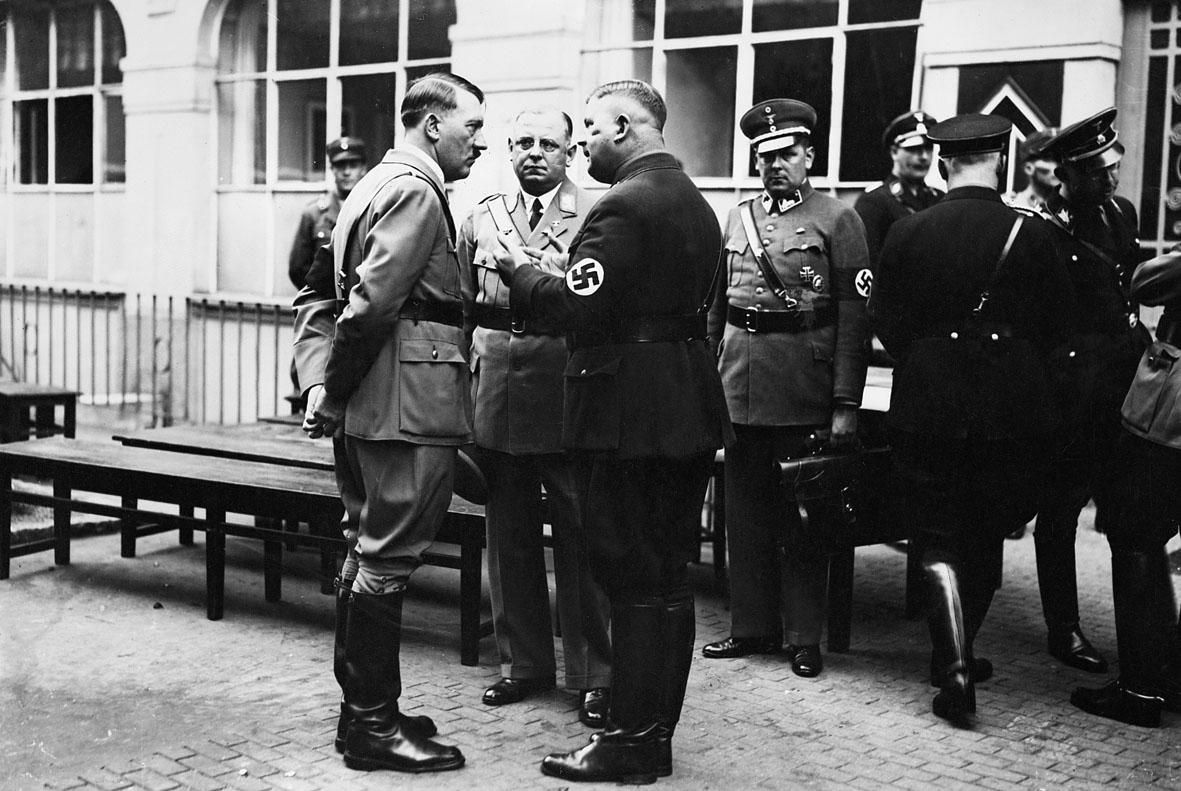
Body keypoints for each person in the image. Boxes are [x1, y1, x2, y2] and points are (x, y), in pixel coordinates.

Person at [491, 79, 731, 784]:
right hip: (681, 407)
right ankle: (651, 735)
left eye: (591, 127)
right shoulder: (690, 200)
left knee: (629, 578)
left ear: (625, 126)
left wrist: (519, 272)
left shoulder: (623, 204)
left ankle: (625, 741)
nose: (584, 142)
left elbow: (579, 310)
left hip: (626, 416)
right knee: (665, 579)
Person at [292, 72, 487, 774]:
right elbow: (371, 305)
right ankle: (373, 725)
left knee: (366, 550)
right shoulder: (414, 189)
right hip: (406, 405)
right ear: (432, 125)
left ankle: (364, 713)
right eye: (471, 128)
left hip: (375, 406)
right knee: (387, 559)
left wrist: (321, 385)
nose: (480, 142)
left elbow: (316, 296)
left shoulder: (367, 187)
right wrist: (333, 390)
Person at [867, 114, 1075, 722]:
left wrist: (928, 358)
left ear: (941, 163)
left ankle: (951, 663)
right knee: (985, 532)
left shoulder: (909, 232)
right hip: (1011, 413)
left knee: (934, 536)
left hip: (927, 404)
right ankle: (958, 653)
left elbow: (886, 320)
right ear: (1002, 162)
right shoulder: (1032, 234)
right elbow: (1060, 330)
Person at [701, 99, 871, 679]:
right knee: (743, 513)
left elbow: (854, 315)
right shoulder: (736, 217)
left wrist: (846, 402)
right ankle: (751, 627)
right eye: (763, 156)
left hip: (803, 382)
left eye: (785, 154)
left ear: (808, 156)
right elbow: (717, 306)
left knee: (802, 515)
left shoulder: (838, 219)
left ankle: (803, 636)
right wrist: (707, 380)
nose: (774, 165)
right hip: (739, 382)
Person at [458, 107, 612, 725]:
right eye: (522, 142)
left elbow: (592, 302)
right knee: (509, 535)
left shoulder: (598, 212)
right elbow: (465, 309)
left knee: (581, 536)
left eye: (548, 143)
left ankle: (594, 674)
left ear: (571, 151)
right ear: (507, 149)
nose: (534, 153)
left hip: (566, 386)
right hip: (496, 386)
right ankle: (521, 664)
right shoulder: (481, 217)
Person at [1024, 108, 1147, 674]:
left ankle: (1141, 636)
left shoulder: (1122, 213)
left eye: (1112, 168)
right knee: (1060, 511)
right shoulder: (1044, 229)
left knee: (1128, 511)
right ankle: (1063, 627)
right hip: (1072, 392)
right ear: (1066, 176)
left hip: (1124, 384)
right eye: (1097, 174)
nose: (1111, 181)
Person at [1071, 249, 1181, 728]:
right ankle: (1170, 676)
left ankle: (1139, 689)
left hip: (1169, 423)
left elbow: (1141, 283)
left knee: (1133, 532)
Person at [854, 110, 942, 268]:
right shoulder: (874, 201)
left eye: (928, 149)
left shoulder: (940, 198)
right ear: (894, 152)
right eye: (914, 149)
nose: (923, 157)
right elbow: (867, 263)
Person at [288, 137, 369, 290]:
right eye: (340, 166)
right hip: (325, 306)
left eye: (353, 165)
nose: (346, 172)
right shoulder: (313, 214)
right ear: (332, 169)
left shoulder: (371, 210)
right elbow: (298, 269)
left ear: (363, 168)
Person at [1005, 128, 1058, 211]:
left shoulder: (1067, 210)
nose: (1058, 166)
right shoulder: (1013, 207)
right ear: (1028, 168)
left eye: (1059, 159)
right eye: (1048, 159)